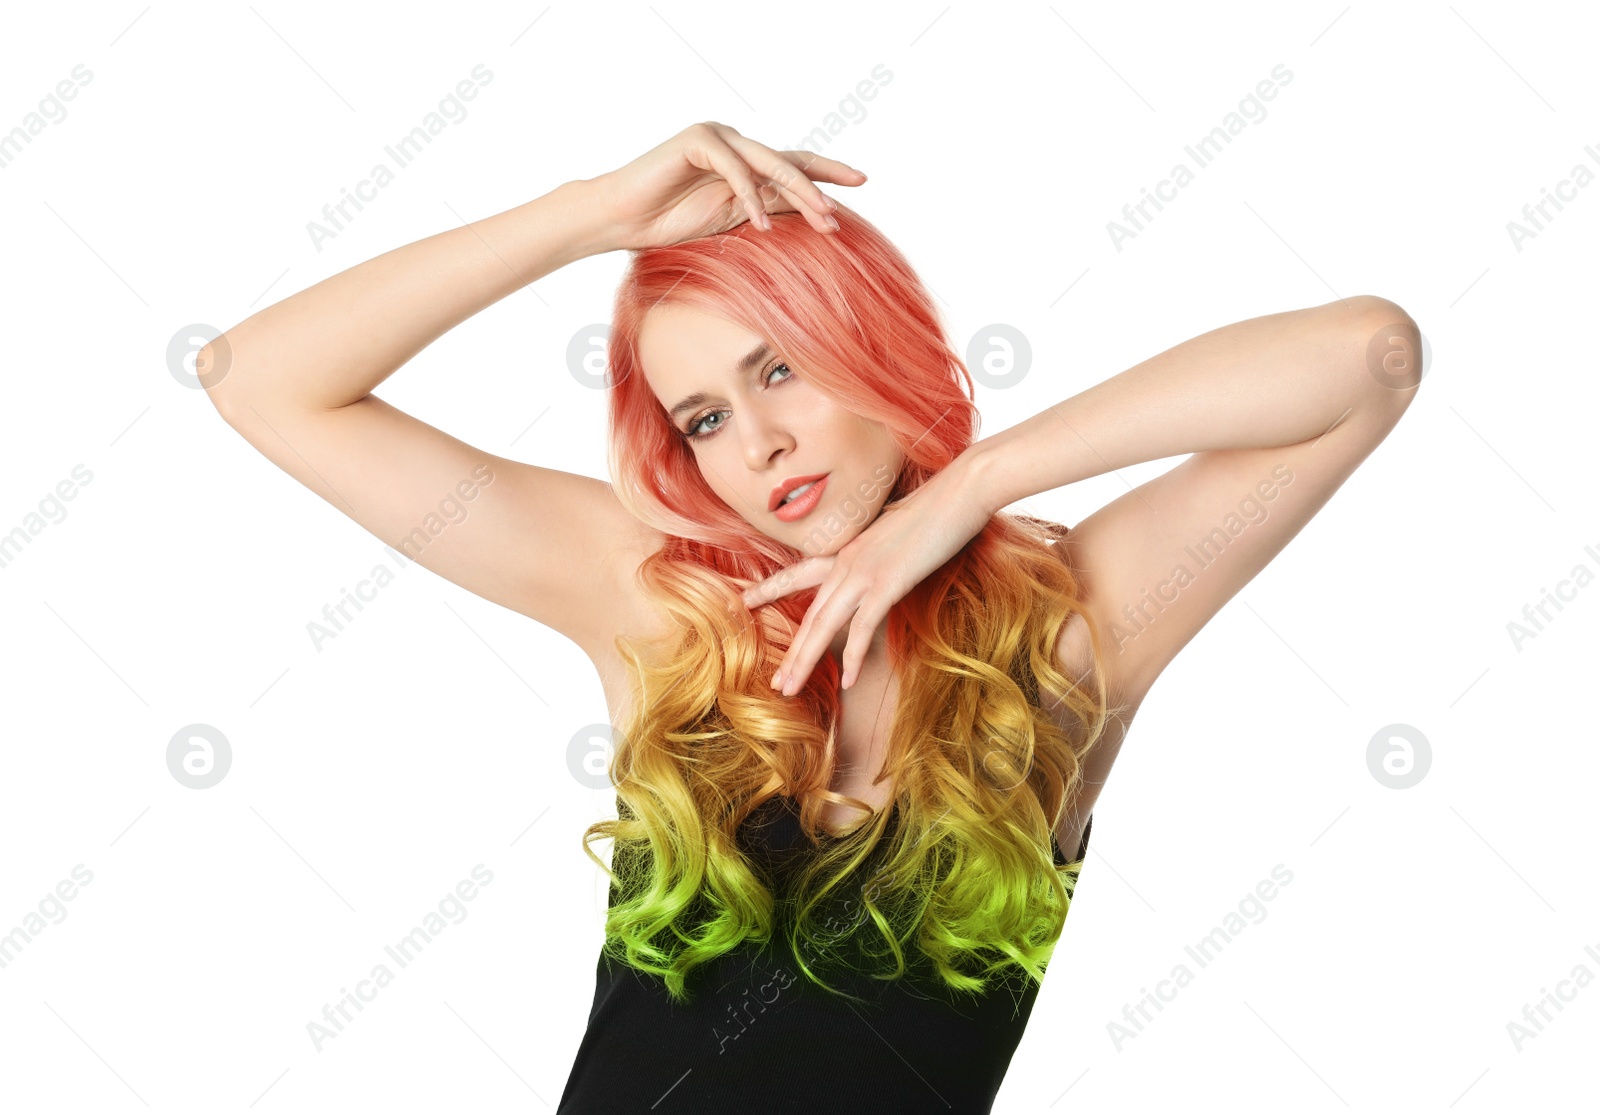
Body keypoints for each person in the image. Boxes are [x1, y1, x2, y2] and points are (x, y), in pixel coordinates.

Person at [200, 121, 1422, 1112]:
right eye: (704, 416)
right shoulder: (661, 608)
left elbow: (1366, 357)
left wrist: (979, 484)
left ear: (873, 345)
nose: (758, 439)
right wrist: (590, 216)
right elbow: (257, 378)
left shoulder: (1069, 634)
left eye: (778, 366)